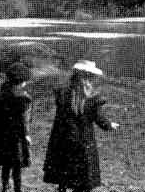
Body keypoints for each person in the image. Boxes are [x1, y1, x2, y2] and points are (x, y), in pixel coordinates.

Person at [43, 60, 119, 192]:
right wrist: (109, 125)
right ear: (89, 76)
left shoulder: (62, 93)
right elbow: (98, 118)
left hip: (62, 137)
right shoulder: (92, 98)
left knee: (63, 168)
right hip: (83, 139)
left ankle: (62, 188)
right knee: (82, 173)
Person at [0, 62, 33, 192]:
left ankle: (4, 187)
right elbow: (24, 120)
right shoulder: (24, 99)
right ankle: (17, 189)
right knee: (17, 166)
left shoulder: (1, 96)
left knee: (6, 164)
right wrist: (26, 135)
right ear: (22, 80)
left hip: (3, 136)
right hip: (17, 137)